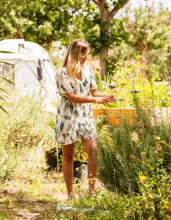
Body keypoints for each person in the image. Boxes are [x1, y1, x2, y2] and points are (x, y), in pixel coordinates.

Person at [55, 39, 115, 198]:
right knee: (68, 156)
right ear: (75, 54)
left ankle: (92, 191)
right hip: (68, 116)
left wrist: (107, 97)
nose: (85, 59)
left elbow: (94, 92)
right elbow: (72, 97)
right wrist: (95, 100)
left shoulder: (88, 69)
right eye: (83, 55)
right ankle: (70, 194)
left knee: (93, 151)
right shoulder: (62, 72)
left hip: (85, 116)